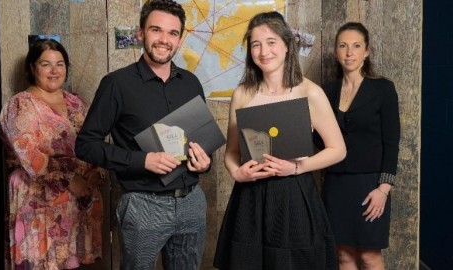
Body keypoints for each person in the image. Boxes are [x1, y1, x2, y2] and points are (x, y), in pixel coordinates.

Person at [74, 0, 211, 269]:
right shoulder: (116, 84)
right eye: (156, 30)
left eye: (172, 33)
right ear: (140, 33)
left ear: (180, 40)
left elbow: (204, 143)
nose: (164, 39)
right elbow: (85, 145)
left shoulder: (191, 83)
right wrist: (142, 161)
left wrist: (205, 163)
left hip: (192, 201)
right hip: (143, 204)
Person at [213, 11, 346, 270]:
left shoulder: (310, 92)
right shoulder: (242, 93)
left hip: (294, 195)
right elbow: (232, 151)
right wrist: (237, 173)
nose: (264, 51)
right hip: (250, 197)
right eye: (255, 44)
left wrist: (297, 167)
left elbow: (338, 149)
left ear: (287, 45)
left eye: (271, 42)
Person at [0, 39, 106, 270]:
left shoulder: (77, 102)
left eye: (60, 64)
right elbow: (28, 154)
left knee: (77, 263)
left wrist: (98, 171)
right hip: (39, 198)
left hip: (81, 198)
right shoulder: (20, 105)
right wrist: (69, 179)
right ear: (32, 68)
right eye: (46, 64)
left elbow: (96, 140)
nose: (54, 70)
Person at [314, 22, 400, 270]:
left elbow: (391, 142)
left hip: (370, 186)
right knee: (343, 255)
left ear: (367, 51)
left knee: (370, 256)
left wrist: (383, 189)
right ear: (336, 52)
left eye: (356, 46)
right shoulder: (325, 92)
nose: (349, 52)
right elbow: (322, 143)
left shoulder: (383, 89)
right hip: (336, 183)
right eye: (343, 46)